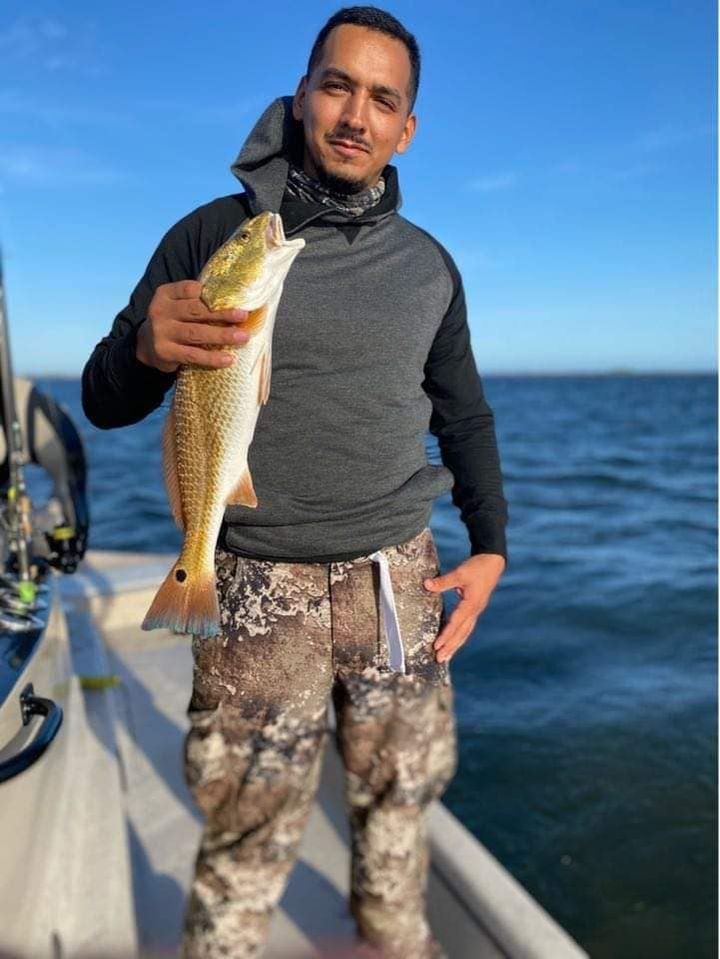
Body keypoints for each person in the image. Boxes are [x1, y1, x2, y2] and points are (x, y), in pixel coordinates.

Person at [81, 6, 509, 958]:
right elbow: (103, 401)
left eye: (383, 98)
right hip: (251, 585)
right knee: (246, 827)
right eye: (338, 85)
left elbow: (465, 415)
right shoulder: (213, 236)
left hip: (400, 579)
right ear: (303, 93)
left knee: (400, 804)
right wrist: (144, 348)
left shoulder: (430, 267)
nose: (356, 114)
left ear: (408, 128)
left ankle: (393, 942)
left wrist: (491, 546)